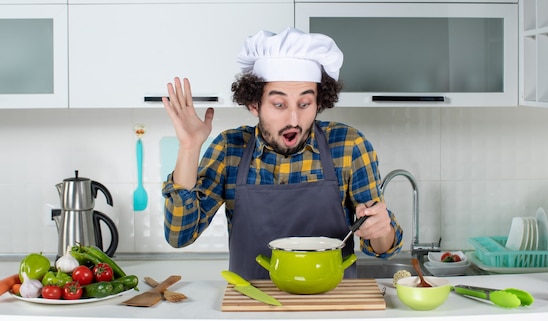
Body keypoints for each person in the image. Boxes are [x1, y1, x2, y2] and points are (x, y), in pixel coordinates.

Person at [161, 27, 403, 279]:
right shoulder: (229, 149)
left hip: (332, 305)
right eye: (279, 104)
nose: (294, 119)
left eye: (305, 104)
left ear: (319, 102)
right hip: (254, 306)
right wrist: (189, 148)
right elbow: (180, 236)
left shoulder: (349, 146)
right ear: (254, 104)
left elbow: (383, 250)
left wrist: (381, 228)